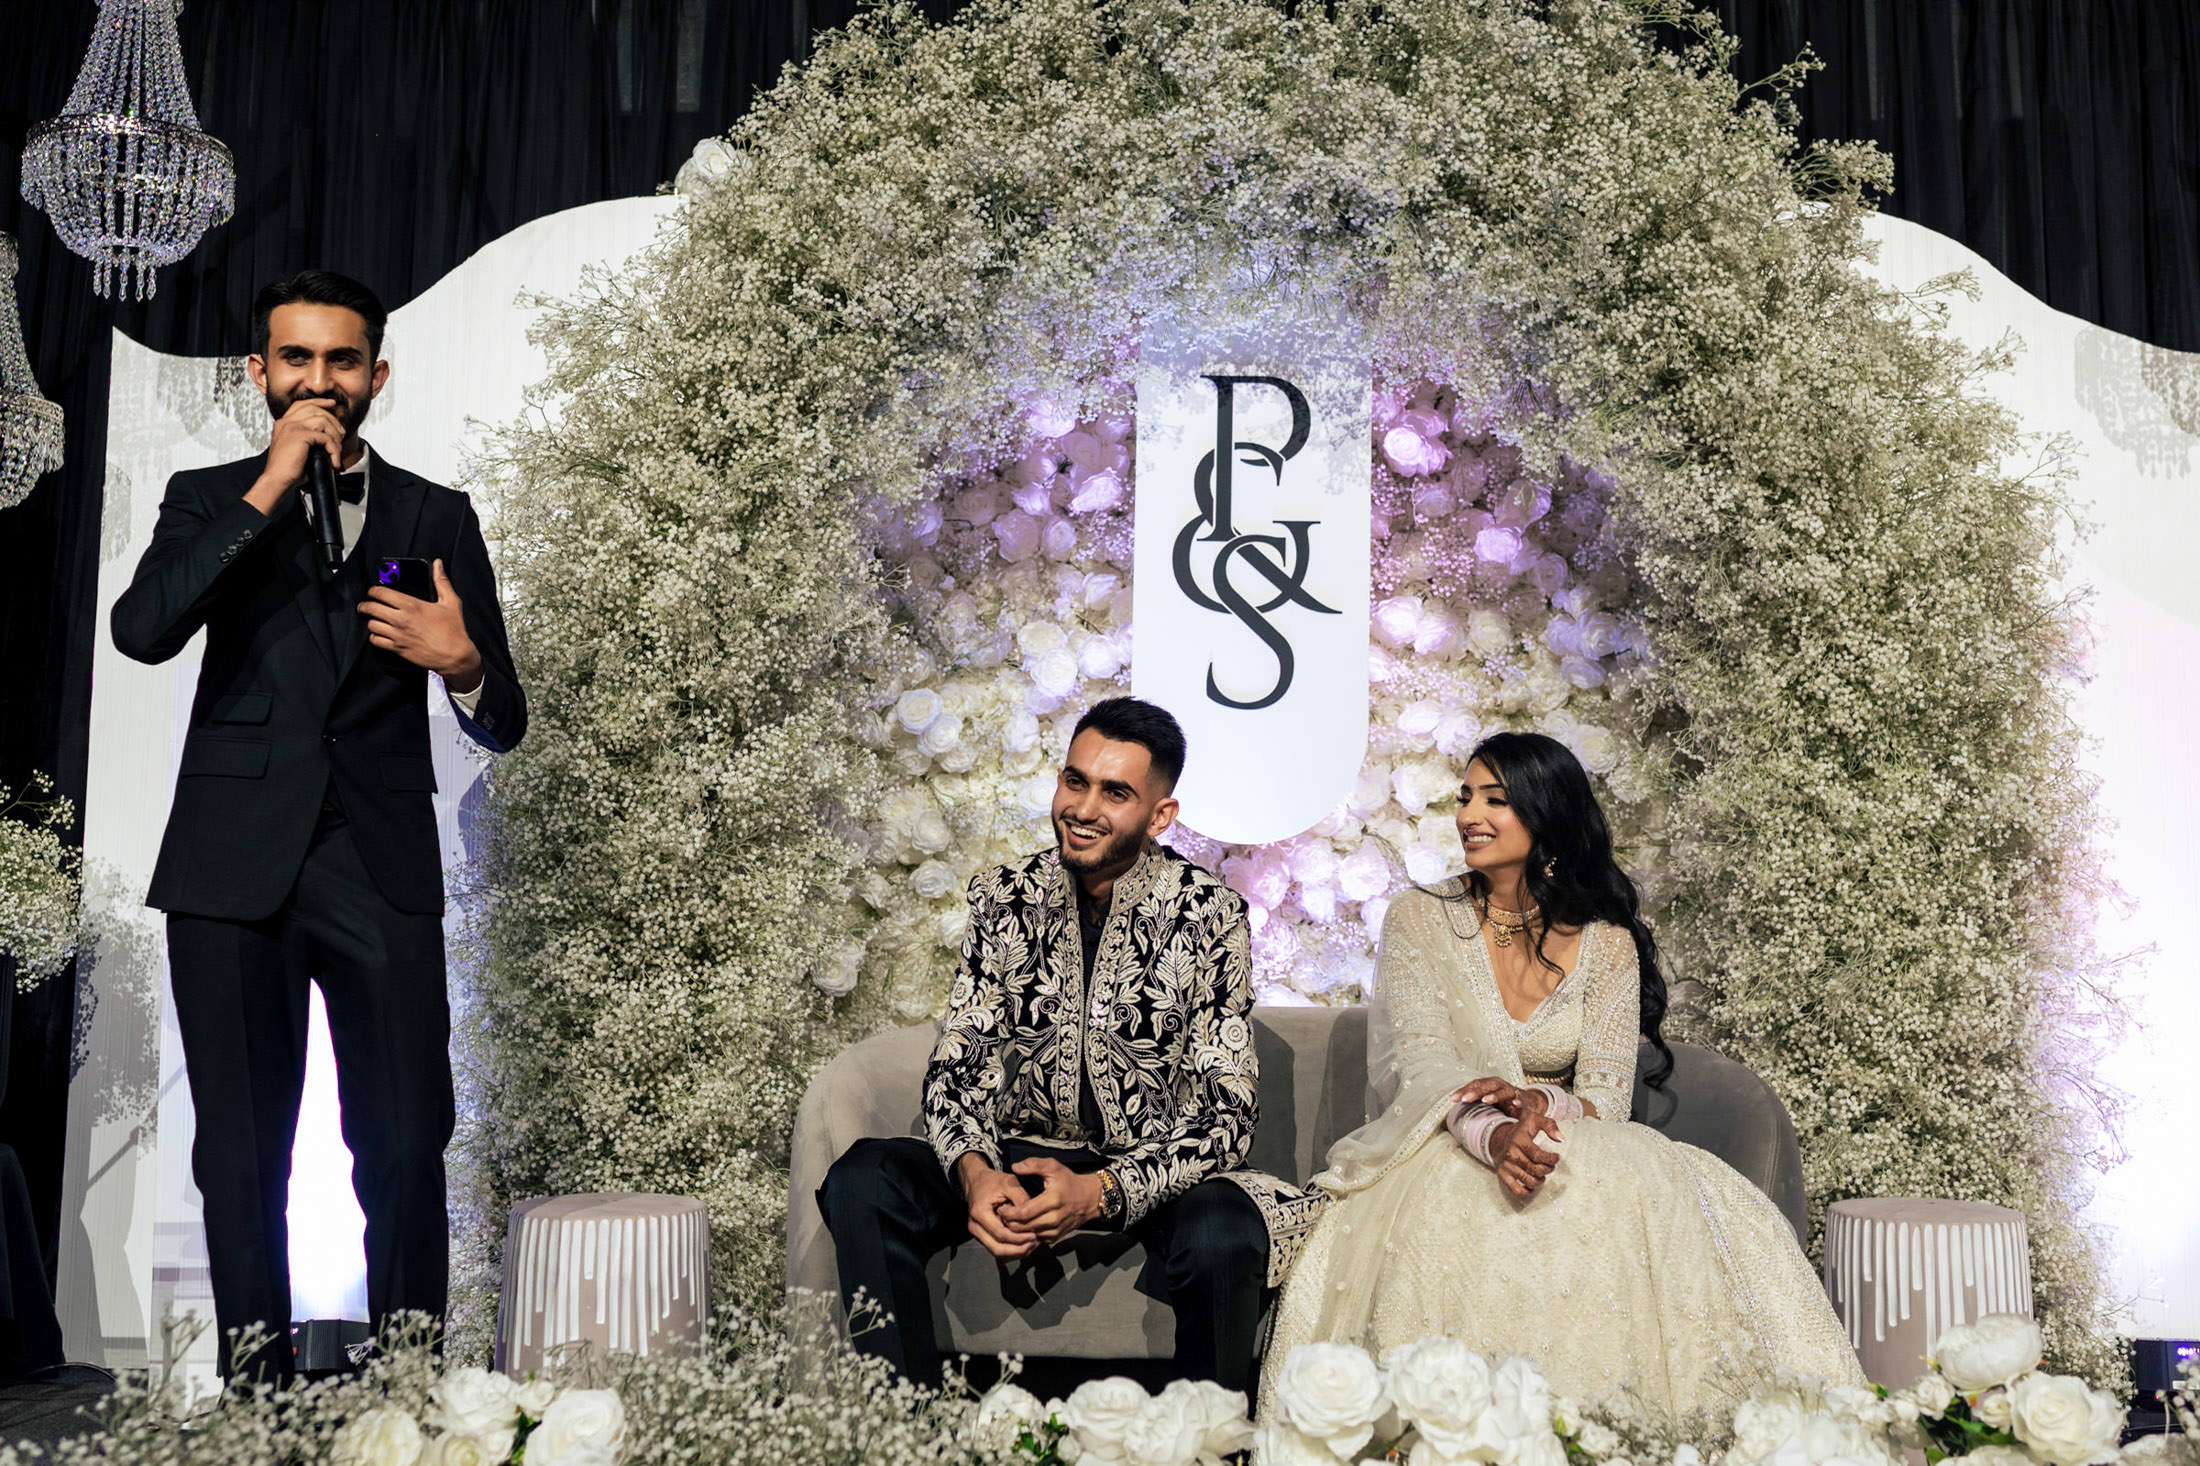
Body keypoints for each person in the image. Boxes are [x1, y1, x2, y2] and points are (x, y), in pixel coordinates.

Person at [111, 270, 526, 1381]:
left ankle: (409, 1384)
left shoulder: (432, 515)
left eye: (342, 361)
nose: (319, 381)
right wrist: (267, 490)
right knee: (240, 1153)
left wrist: (465, 660)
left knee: (399, 1143)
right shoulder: (210, 497)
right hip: (228, 863)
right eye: (296, 359)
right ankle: (257, 1391)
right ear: (259, 373)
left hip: (376, 860)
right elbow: (143, 630)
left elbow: (506, 719)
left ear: (376, 375)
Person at [1261, 732, 1861, 1417]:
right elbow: (1418, 1063)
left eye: (1496, 800)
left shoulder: (1606, 943)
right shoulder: (1421, 920)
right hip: (1447, 1138)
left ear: (1547, 815)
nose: (1469, 816)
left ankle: (1614, 1427)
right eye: (1465, 797)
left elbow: (1605, 1093)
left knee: (1631, 1202)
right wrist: (1492, 1134)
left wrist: (1534, 1110)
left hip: (1565, 1136)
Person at [819, 697, 1320, 1397]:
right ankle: (902, 1437)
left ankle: (1202, 1444)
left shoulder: (1207, 913)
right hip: (1017, 1154)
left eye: (1115, 792)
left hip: (1149, 1174)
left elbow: (1224, 1117)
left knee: (1226, 1230)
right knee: (864, 1177)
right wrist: (975, 1175)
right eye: (1074, 780)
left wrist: (1101, 1192)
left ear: (1160, 815)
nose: (1082, 807)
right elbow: (957, 1069)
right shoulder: (1006, 897)